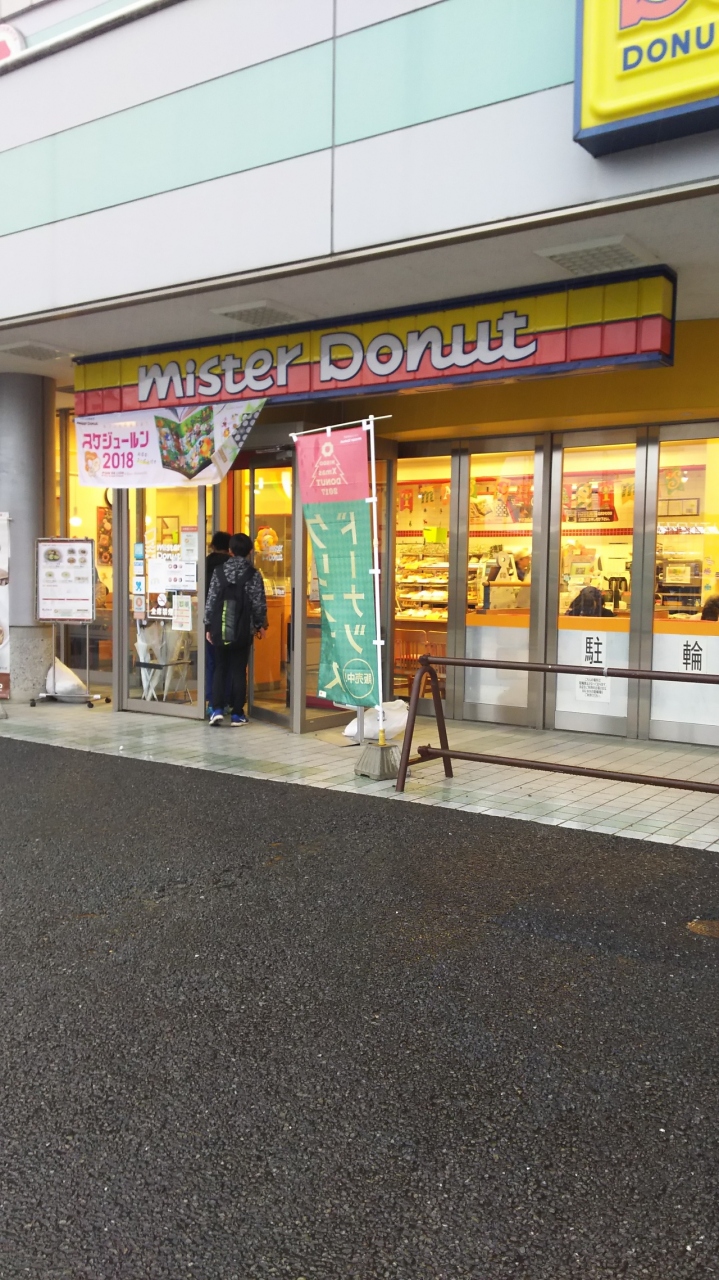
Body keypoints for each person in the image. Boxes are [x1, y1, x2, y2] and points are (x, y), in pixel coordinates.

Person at [205, 532, 268, 726]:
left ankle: (217, 709)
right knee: (239, 670)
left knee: (220, 668)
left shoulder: (219, 572)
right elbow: (258, 603)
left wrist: (208, 625)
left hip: (220, 627)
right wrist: (260, 625)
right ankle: (237, 714)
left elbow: (211, 600)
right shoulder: (253, 574)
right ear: (250, 551)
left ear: (230, 550)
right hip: (243, 630)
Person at [204, 532, 231, 712]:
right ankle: (226, 701)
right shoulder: (231, 566)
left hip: (210, 620)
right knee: (227, 663)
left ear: (213, 545)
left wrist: (207, 623)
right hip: (229, 619)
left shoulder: (204, 564)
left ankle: (211, 702)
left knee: (212, 662)